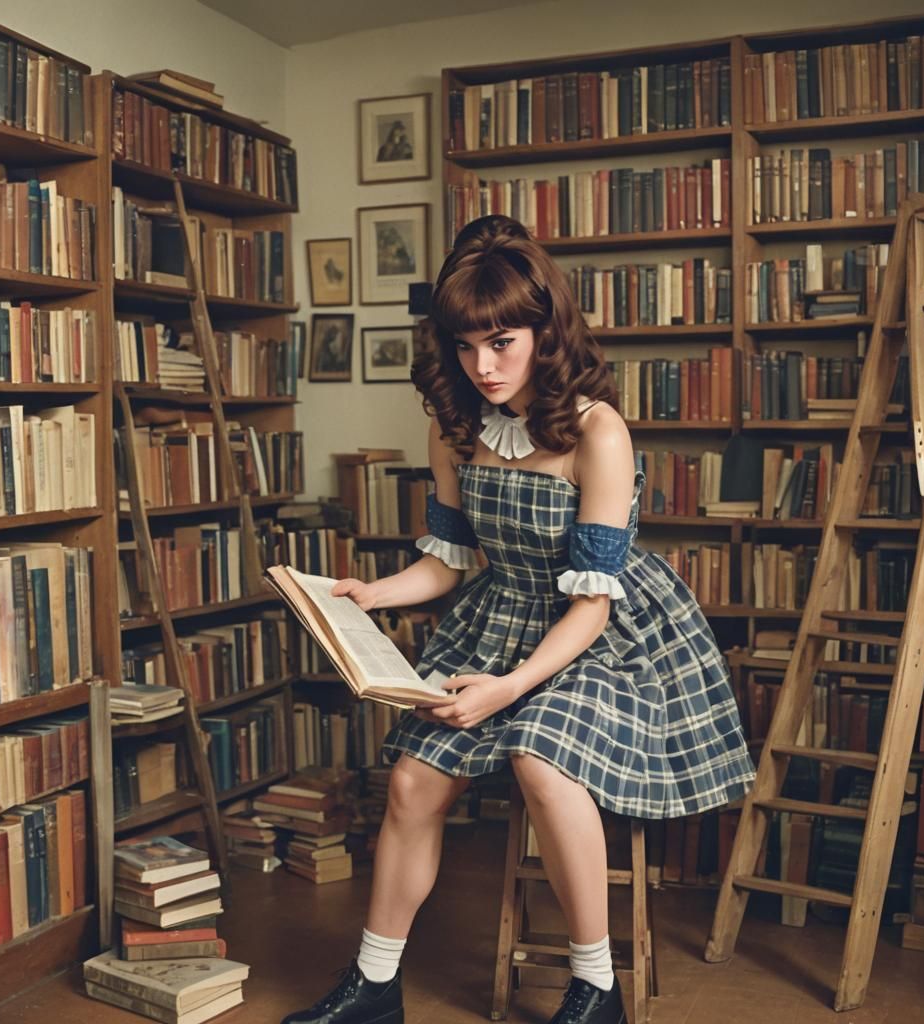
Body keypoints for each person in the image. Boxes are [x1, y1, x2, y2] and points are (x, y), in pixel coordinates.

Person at [280, 215, 756, 1024]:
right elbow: (448, 561)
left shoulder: (596, 431)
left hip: (602, 635)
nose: (483, 365)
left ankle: (595, 988)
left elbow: (593, 601)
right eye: (466, 346)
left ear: (546, 330)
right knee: (410, 780)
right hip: (499, 616)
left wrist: (509, 690)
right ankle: (375, 984)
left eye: (501, 342)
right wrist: (371, 594)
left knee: (541, 759)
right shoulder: (454, 423)